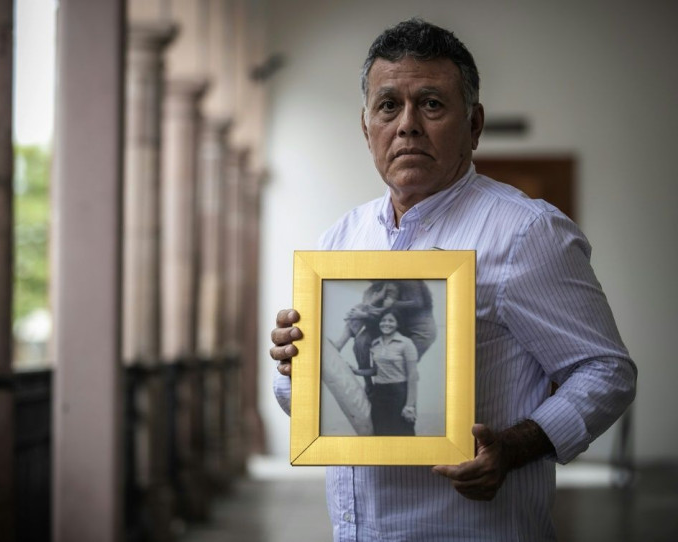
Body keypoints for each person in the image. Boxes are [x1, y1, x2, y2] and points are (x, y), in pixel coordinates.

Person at [270, 18, 637, 541]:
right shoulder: (339, 240)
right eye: (388, 105)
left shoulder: (527, 232)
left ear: (475, 124)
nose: (408, 125)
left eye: (433, 104)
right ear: (365, 125)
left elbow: (607, 371)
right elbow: (308, 405)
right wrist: (294, 367)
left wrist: (513, 448)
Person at [358, 309, 419, 436]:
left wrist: (410, 406)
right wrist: (355, 371)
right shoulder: (375, 343)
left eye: (391, 320)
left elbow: (413, 376)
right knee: (381, 432)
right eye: (383, 320)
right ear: (379, 323)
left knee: (403, 433)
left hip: (398, 394)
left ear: (398, 324)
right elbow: (375, 371)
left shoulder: (406, 343)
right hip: (379, 393)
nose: (386, 323)